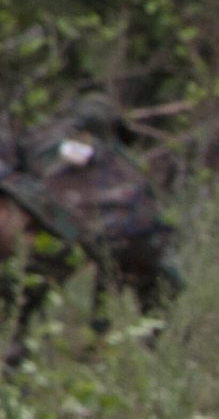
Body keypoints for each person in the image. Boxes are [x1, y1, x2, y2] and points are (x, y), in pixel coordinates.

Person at [0, 95, 183, 362]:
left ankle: (19, 351)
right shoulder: (123, 161)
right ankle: (140, 348)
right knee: (146, 277)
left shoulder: (39, 140)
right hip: (134, 242)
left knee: (27, 288)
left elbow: (18, 185)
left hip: (65, 236)